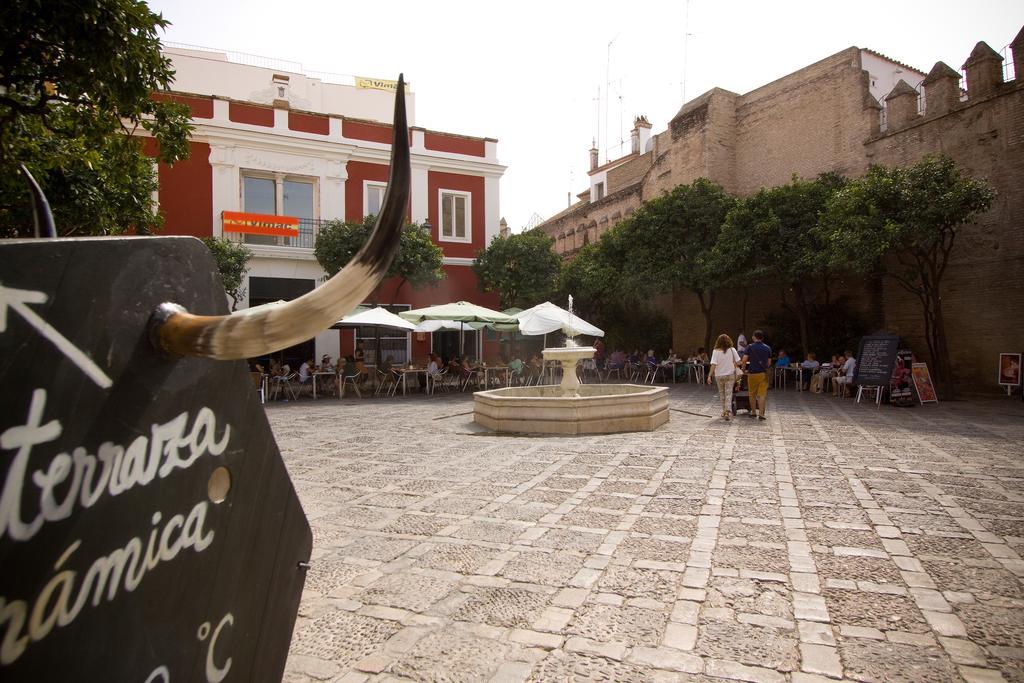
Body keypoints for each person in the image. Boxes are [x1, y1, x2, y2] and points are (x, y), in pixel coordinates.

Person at [707, 334, 742, 420]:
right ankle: (727, 411)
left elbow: (713, 364)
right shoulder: (732, 350)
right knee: (728, 393)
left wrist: (709, 376)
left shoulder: (715, 351)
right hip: (730, 375)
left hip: (719, 376)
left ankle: (724, 411)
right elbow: (739, 362)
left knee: (722, 394)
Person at [741, 330, 772, 420]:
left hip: (752, 373)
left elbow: (744, 360)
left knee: (752, 394)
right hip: (763, 374)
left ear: (754, 337)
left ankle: (754, 412)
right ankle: (761, 414)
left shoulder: (749, 347)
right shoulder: (767, 348)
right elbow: (769, 363)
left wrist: (743, 369)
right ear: (762, 338)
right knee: (762, 395)